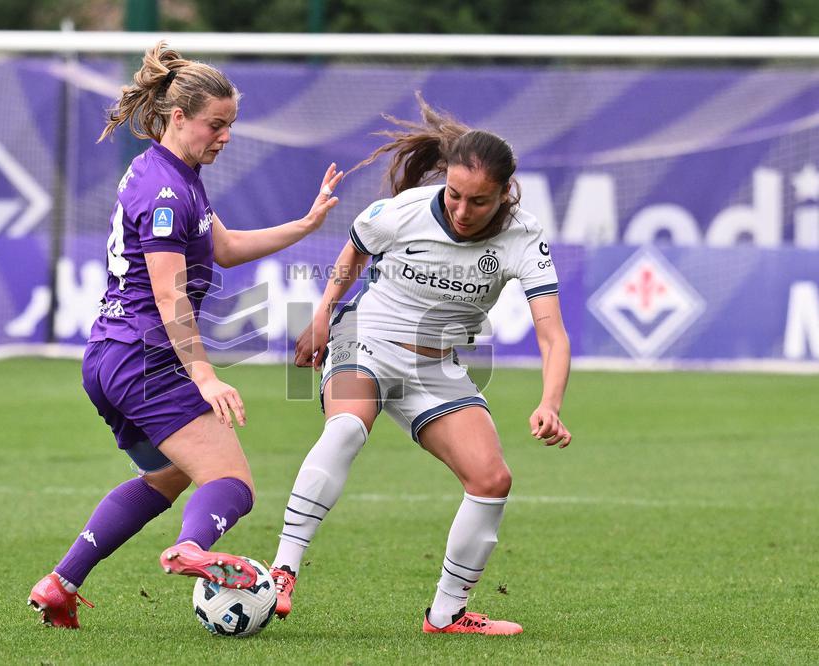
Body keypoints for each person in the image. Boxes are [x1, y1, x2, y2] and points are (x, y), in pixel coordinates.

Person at [28, 41, 344, 629]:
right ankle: (192, 551)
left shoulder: (172, 172)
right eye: (215, 125)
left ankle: (60, 584)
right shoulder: (168, 193)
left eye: (230, 125)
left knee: (168, 477)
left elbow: (223, 248)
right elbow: (170, 293)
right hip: (146, 357)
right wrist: (204, 374)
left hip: (109, 358)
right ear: (179, 117)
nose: (224, 136)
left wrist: (305, 224)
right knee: (232, 483)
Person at [268, 93, 571, 635]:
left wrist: (550, 403)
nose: (460, 210)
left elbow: (552, 333)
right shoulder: (404, 210)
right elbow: (353, 253)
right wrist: (321, 315)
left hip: (435, 368)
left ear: (504, 194)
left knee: (492, 479)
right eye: (454, 195)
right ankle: (282, 572)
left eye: (478, 202)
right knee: (345, 429)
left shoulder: (524, 238)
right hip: (365, 342)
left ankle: (446, 615)